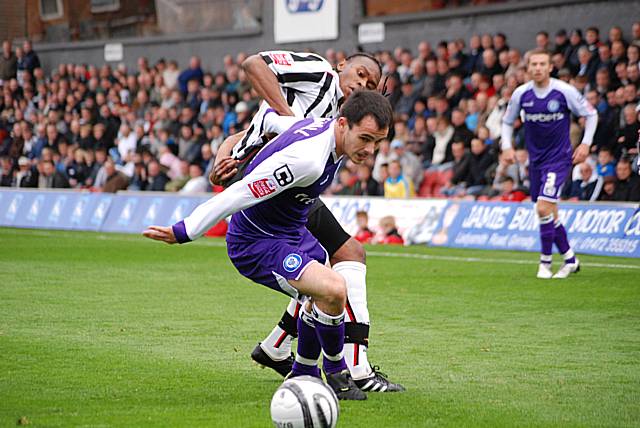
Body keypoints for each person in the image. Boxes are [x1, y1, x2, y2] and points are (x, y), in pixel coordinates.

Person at [143, 90, 393, 400]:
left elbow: (269, 119)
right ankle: (336, 372)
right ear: (343, 124)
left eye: (377, 143)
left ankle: (303, 372)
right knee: (333, 288)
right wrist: (185, 231)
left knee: (323, 293)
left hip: (291, 233)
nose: (370, 150)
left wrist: (237, 147)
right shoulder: (309, 160)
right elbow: (240, 192)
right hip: (257, 243)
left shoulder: (322, 130)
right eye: (366, 138)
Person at [211, 50, 403, 392]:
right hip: (271, 187)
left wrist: (223, 154)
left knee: (324, 267)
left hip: (289, 190)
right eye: (360, 74)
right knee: (349, 256)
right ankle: (355, 370)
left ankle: (276, 347)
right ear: (341, 65)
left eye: (370, 83)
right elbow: (254, 64)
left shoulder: (347, 117)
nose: (362, 83)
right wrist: (293, 127)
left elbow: (245, 132)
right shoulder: (319, 74)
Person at [501, 48, 597, 279]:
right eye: (533, 64)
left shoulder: (564, 91)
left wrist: (585, 144)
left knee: (543, 208)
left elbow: (591, 115)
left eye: (542, 64)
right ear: (528, 68)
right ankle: (570, 259)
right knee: (550, 212)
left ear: (550, 67)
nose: (538, 68)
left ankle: (545, 263)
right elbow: (507, 121)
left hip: (559, 158)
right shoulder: (521, 94)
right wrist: (506, 145)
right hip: (536, 161)